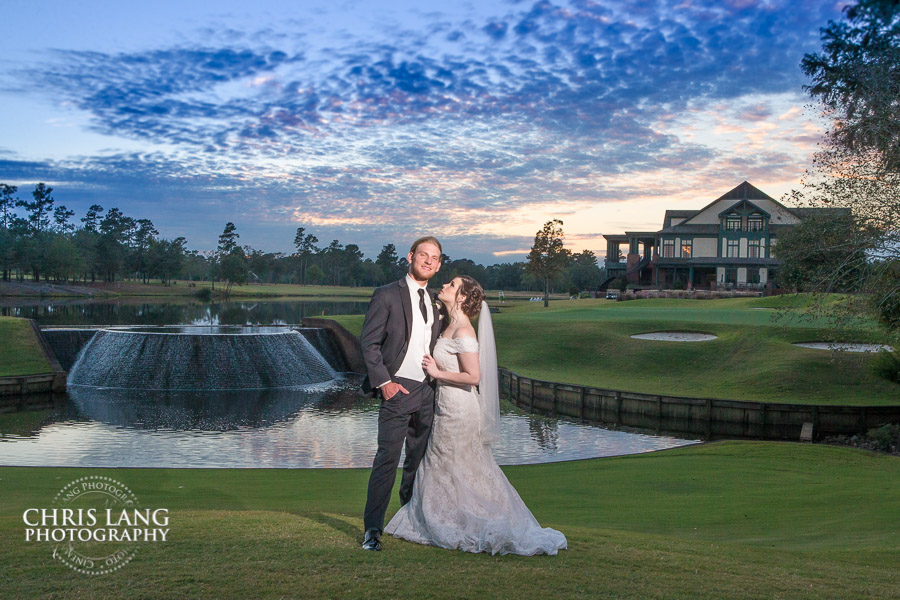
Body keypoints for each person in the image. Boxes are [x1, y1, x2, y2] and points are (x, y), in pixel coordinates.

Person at [385, 275, 567, 556]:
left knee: (456, 463)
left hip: (460, 409)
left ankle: (462, 519)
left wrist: (437, 372)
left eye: (452, 284)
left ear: (460, 297)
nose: (444, 285)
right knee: (448, 462)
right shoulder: (449, 325)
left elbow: (474, 376)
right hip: (445, 405)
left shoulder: (464, 332)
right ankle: (445, 513)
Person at [359, 236, 443, 551]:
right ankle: (373, 531)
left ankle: (410, 518)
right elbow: (369, 344)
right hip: (397, 389)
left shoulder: (436, 300)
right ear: (411, 256)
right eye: (424, 255)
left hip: (427, 392)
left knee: (418, 462)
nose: (429, 261)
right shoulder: (386, 295)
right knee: (387, 459)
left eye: (435, 258)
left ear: (438, 265)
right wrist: (385, 383)